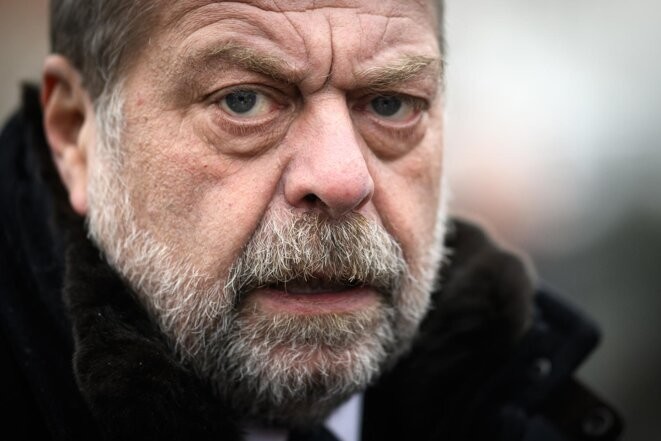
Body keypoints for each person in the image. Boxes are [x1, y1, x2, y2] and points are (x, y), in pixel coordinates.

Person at [0, 1, 622, 440]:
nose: (343, 180)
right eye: (243, 100)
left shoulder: (531, 404)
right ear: (76, 133)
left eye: (390, 103)